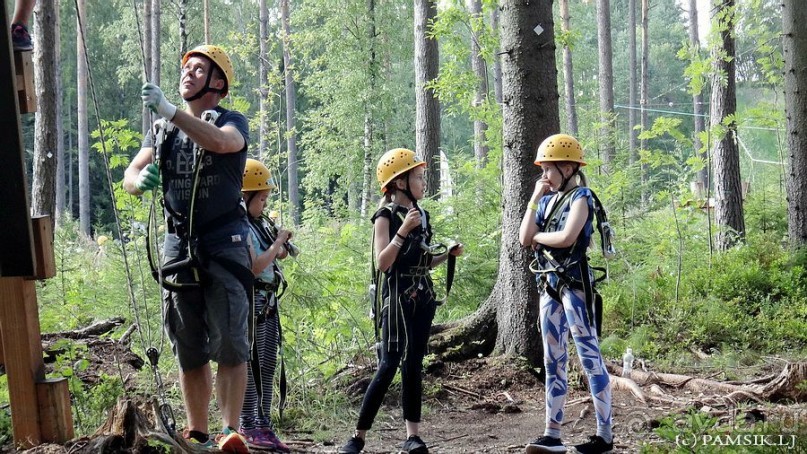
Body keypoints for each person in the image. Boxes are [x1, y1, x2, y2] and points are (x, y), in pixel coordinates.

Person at [123, 44, 252, 453]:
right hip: (179, 243)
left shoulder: (231, 121)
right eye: (186, 68)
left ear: (218, 83)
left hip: (225, 242)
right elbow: (133, 170)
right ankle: (197, 433)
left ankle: (230, 431)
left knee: (231, 340)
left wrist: (170, 110)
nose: (188, 74)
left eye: (199, 69)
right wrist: (136, 181)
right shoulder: (162, 129)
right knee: (188, 342)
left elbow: (221, 143)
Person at [338, 148, 464, 454]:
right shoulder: (386, 216)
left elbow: (422, 261)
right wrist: (404, 230)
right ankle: (357, 437)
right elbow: (384, 262)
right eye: (418, 177)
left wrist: (446, 254)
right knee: (389, 363)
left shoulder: (423, 215)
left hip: (422, 296)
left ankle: (413, 436)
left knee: (413, 363)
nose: (423, 182)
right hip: (396, 297)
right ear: (399, 183)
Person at [518, 134, 613, 454]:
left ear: (569, 167)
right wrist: (534, 197)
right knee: (552, 359)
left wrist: (540, 238)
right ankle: (552, 433)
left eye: (549, 169)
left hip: (575, 285)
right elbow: (523, 237)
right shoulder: (544, 200)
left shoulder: (582, 197)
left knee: (588, 355)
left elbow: (569, 236)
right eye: (542, 169)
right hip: (549, 287)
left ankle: (604, 435)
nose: (544, 175)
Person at [239, 158, 292, 452]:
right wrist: (276, 245)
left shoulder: (259, 224)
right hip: (254, 301)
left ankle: (264, 421)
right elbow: (255, 266)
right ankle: (249, 423)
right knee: (251, 364)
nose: (264, 204)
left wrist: (280, 244)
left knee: (268, 363)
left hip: (269, 302)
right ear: (245, 197)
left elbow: (277, 257)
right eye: (261, 199)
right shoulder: (243, 227)